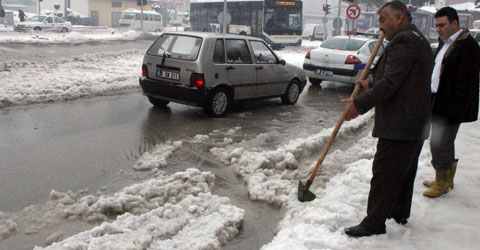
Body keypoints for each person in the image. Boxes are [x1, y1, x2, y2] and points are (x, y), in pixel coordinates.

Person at [341, 0, 434, 237]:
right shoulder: (418, 39)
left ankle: (374, 223)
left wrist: (359, 105)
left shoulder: (403, 41)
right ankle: (399, 212)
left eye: (383, 20)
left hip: (399, 123)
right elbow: (401, 77)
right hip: (414, 122)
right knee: (403, 172)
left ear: (398, 18)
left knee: (384, 173)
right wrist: (370, 82)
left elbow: (392, 83)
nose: (380, 27)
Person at [422, 7, 480, 197]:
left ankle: (442, 181)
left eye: (442, 25)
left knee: (439, 143)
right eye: (436, 25)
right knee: (444, 142)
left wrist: (455, 110)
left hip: (450, 105)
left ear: (455, 24)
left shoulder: (468, 46)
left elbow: (467, 83)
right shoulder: (445, 42)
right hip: (437, 100)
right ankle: (446, 178)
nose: (438, 29)